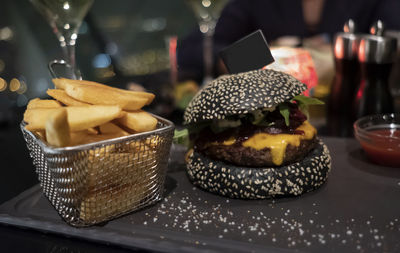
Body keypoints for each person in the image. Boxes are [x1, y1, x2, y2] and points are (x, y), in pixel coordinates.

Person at [177, 0, 400, 80]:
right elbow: (190, 51)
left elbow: (394, 39)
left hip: (351, 116)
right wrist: (259, 54)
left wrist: (336, 51)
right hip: (269, 112)